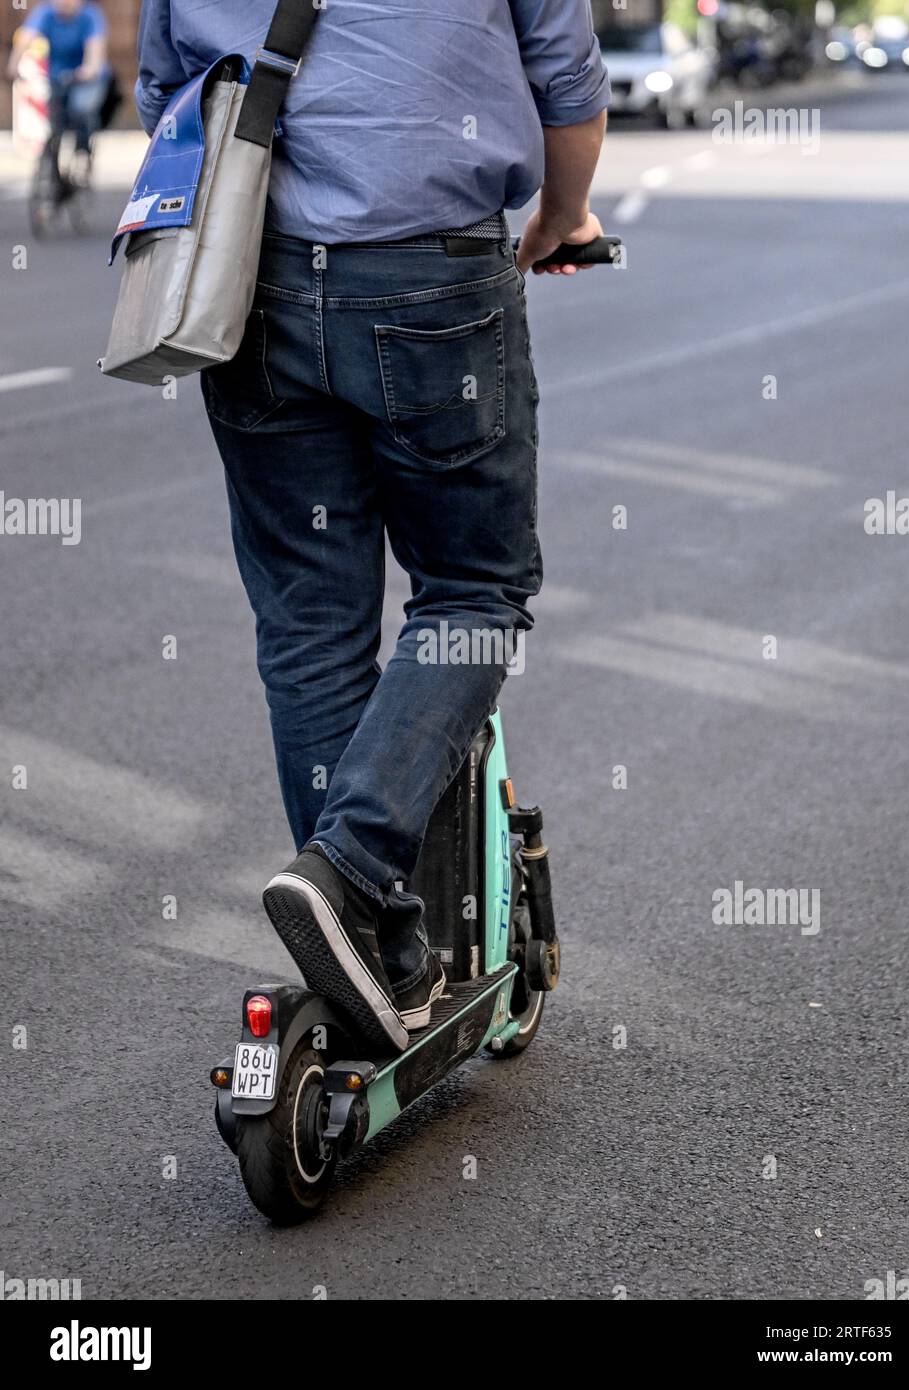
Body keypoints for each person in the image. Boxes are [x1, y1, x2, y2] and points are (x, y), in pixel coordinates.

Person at [136, 0, 610, 1053]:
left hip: (248, 289)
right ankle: (351, 869)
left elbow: (171, 96)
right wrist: (561, 217)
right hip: (429, 282)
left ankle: (384, 943)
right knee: (474, 591)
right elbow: (570, 91)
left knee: (310, 620)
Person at [7, 0, 110, 174]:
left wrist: (88, 69)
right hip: (57, 75)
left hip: (85, 77)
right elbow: (27, 36)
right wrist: (13, 64)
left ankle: (83, 152)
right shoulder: (46, 13)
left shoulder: (90, 16)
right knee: (54, 120)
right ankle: (51, 167)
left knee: (81, 109)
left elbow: (95, 51)